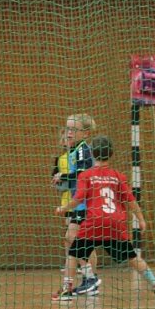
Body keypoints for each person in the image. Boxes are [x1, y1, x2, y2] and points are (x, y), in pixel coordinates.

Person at [52, 135, 155, 301]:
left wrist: (64, 208)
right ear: (111, 154)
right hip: (116, 224)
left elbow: (78, 198)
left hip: (94, 222)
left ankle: (67, 289)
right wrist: (141, 219)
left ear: (92, 153)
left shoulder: (86, 175)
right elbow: (131, 200)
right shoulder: (118, 176)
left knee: (73, 252)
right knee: (133, 258)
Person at [52, 113, 99, 295]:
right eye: (67, 129)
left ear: (85, 133)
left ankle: (90, 278)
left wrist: (63, 176)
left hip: (87, 204)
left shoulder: (82, 150)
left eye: (73, 129)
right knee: (71, 240)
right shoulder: (73, 151)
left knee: (74, 239)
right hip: (78, 203)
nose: (68, 133)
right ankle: (78, 282)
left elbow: (81, 176)